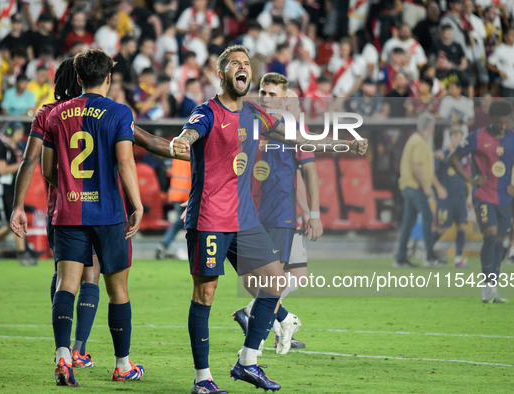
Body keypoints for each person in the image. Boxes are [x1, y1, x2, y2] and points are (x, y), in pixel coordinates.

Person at [171, 44, 367, 393]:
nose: (243, 68)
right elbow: (190, 132)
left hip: (245, 219)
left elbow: (300, 140)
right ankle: (203, 380)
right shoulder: (207, 113)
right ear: (221, 73)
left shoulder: (255, 114)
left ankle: (247, 363)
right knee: (206, 294)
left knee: (275, 283)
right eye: (235, 63)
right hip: (210, 219)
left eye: (247, 63)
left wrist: (344, 145)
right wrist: (182, 141)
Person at [41, 49, 144, 385]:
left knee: (65, 285)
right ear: (109, 78)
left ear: (79, 78)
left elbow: (47, 169)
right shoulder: (119, 112)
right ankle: (123, 365)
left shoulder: (56, 114)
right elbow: (126, 162)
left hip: (69, 212)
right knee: (118, 290)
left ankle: (63, 358)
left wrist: (73, 189)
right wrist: (137, 204)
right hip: (109, 213)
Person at [232, 75, 320, 354]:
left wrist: (311, 212)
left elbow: (308, 172)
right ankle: (283, 319)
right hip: (248, 211)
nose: (266, 97)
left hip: (280, 212)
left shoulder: (295, 129)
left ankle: (255, 343)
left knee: (276, 279)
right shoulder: (249, 122)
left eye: (272, 93)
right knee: (250, 280)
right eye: (263, 92)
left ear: (284, 99)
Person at [448, 100, 514, 303]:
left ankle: (493, 287)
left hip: (505, 198)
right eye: (499, 123)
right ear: (492, 119)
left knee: (498, 242)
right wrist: (471, 179)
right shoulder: (477, 137)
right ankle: (486, 286)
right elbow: (452, 158)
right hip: (483, 196)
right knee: (490, 235)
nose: (503, 127)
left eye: (506, 123)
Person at [0, 122, 40, 266]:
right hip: (1, 188)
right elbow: (1, 169)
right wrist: (23, 164)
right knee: (13, 222)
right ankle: (22, 254)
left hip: (7, 188)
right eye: (18, 132)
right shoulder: (0, 146)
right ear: (10, 132)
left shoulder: (7, 146)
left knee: (11, 223)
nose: (21, 136)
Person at [394, 113, 446, 268]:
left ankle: (401, 257)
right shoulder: (420, 142)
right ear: (430, 128)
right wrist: (425, 186)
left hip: (409, 186)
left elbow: (421, 162)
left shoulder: (417, 140)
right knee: (428, 216)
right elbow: (416, 165)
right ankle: (429, 256)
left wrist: (433, 154)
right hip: (414, 186)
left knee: (408, 222)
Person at [430, 125, 470, 268]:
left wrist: (470, 194)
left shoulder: (463, 156)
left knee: (462, 226)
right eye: (456, 137)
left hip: (460, 197)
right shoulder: (442, 155)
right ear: (450, 137)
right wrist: (439, 188)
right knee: (442, 228)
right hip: (446, 199)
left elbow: (467, 177)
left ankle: (458, 259)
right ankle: (428, 252)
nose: (458, 139)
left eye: (460, 137)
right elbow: (432, 174)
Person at [155, 158, 191, 260]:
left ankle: (163, 245)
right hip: (188, 195)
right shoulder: (194, 151)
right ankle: (199, 249)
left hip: (177, 194)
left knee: (179, 223)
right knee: (196, 223)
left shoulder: (179, 152)